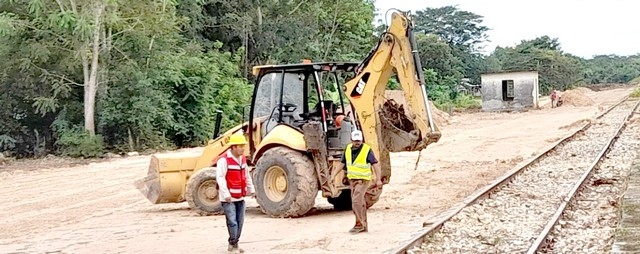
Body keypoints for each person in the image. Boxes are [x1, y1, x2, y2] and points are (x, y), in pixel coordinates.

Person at [334, 130, 382, 234]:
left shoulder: (366, 150)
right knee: (361, 203)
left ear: (362, 140)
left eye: (359, 141)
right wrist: (333, 175)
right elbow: (342, 164)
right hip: (352, 181)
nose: (357, 142)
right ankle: (364, 225)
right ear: (351, 140)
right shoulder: (347, 149)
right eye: (355, 141)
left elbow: (375, 165)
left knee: (356, 202)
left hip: (363, 180)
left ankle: (359, 225)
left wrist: (378, 179)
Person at [215, 132, 256, 253]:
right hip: (228, 198)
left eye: (243, 146)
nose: (243, 148)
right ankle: (233, 244)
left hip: (240, 196)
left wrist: (251, 189)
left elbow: (246, 176)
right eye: (240, 146)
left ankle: (234, 243)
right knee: (232, 222)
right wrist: (226, 194)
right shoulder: (224, 160)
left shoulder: (242, 159)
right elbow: (220, 177)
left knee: (240, 222)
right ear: (233, 147)